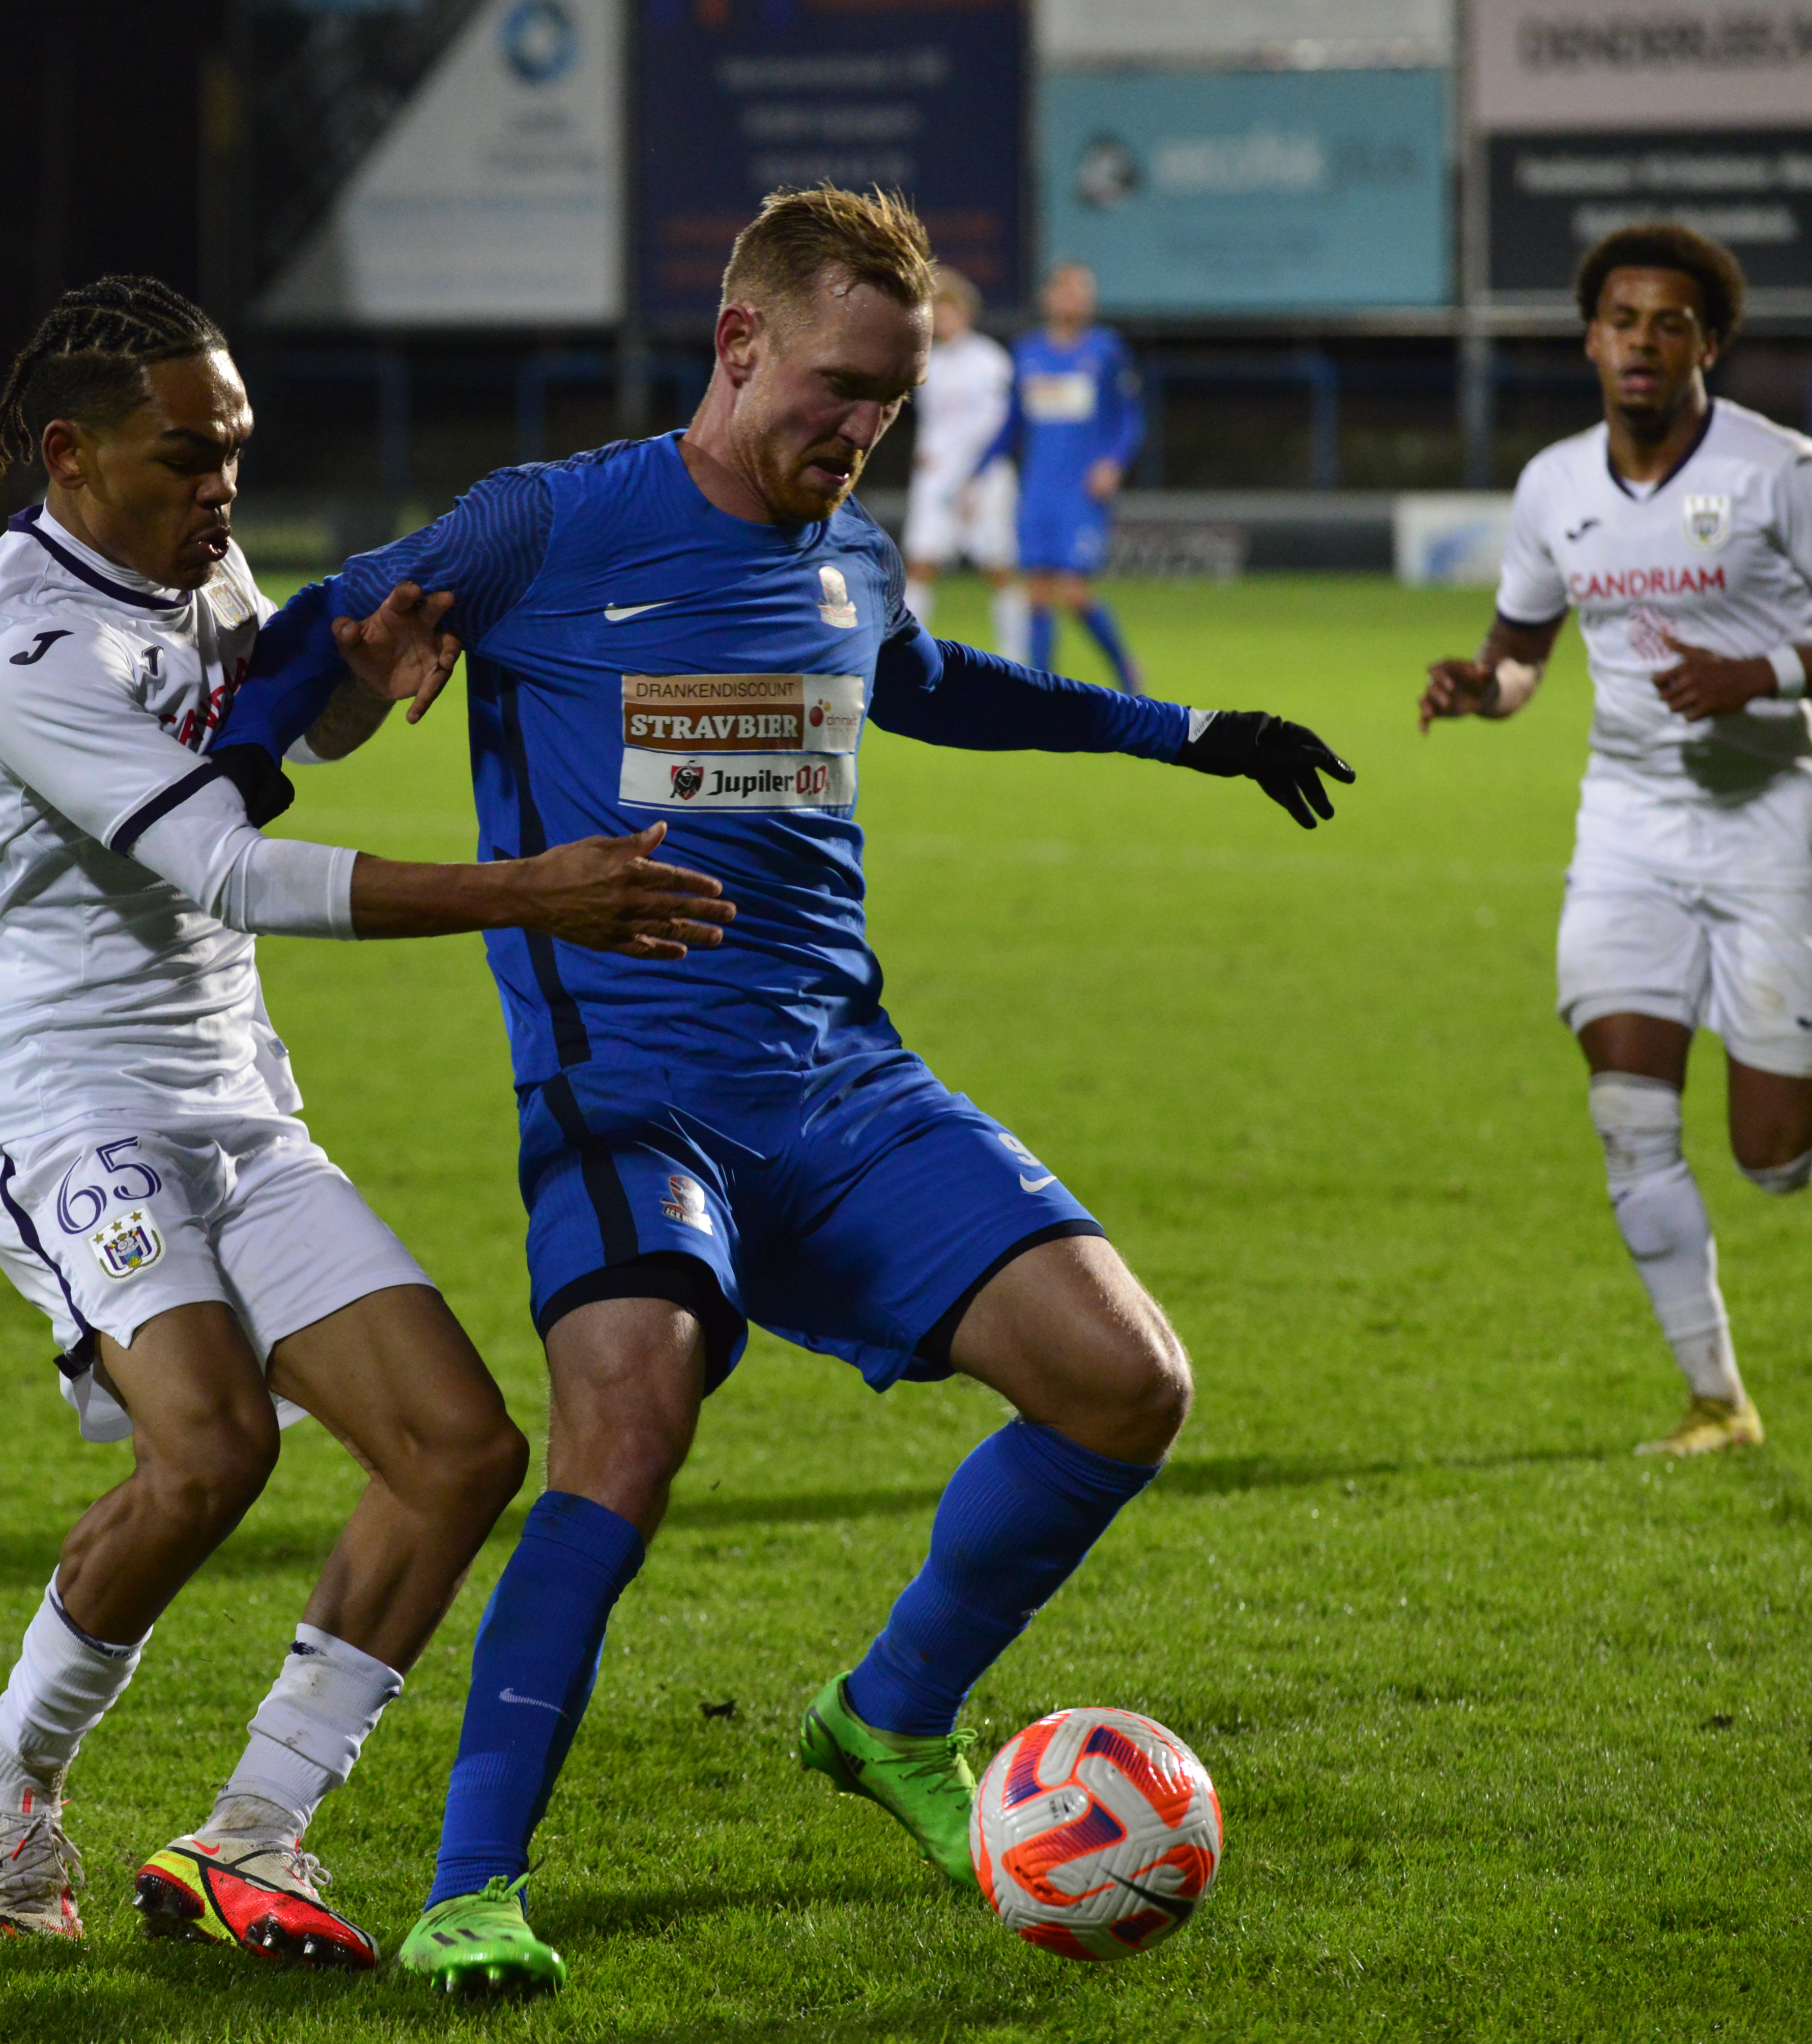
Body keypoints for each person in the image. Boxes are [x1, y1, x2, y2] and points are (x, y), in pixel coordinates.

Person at [213, 184, 1354, 1993]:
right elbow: (313, 645)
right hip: (627, 1106)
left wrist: (1190, 734)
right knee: (625, 1425)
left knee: (1125, 1384)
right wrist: (239, 783)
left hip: (843, 1090)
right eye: (831, 389)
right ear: (734, 343)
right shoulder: (546, 525)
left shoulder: (851, 552)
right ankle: (467, 1889)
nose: (853, 433)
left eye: (882, 406)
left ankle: (884, 1714)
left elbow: (926, 684)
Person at [0, 276, 732, 1968]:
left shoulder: (191, 557)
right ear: (68, 454)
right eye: (184, 452)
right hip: (69, 1103)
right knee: (212, 1446)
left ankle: (251, 1832)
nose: (222, 483)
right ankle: (7, 1769)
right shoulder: (24, 647)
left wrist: (360, 678)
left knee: (457, 1451)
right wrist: (529, 891)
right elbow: (228, 861)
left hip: (234, 1094)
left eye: (233, 446)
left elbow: (262, 744)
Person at [1419, 223, 1812, 1458]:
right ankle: (1716, 1397)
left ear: (1708, 342)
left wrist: (1756, 670)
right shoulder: (1552, 486)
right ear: (1589, 337)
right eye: (1619, 319)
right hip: (1627, 828)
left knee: (1772, 1164)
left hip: (1770, 827)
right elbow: (1525, 654)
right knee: (1628, 1116)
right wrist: (1481, 689)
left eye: (1668, 323)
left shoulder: (1778, 471)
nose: (1639, 342)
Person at [983, 261, 1146, 692]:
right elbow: (1012, 425)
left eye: (1084, 292)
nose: (1077, 300)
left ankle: (1125, 668)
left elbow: (1130, 418)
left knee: (1074, 594)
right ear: (1049, 298)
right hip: (1038, 489)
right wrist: (978, 471)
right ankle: (1042, 691)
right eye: (1069, 291)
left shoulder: (1106, 350)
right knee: (1037, 592)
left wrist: (1113, 461)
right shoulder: (1027, 352)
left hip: (1082, 490)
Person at [900, 267, 1026, 657]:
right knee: (921, 563)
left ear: (966, 312)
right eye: (935, 310)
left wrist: (976, 479)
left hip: (983, 479)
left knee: (999, 567)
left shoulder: (989, 360)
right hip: (936, 479)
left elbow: (1000, 427)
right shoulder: (929, 363)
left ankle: (1016, 658)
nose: (942, 318)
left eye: (948, 309)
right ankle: (907, 655)